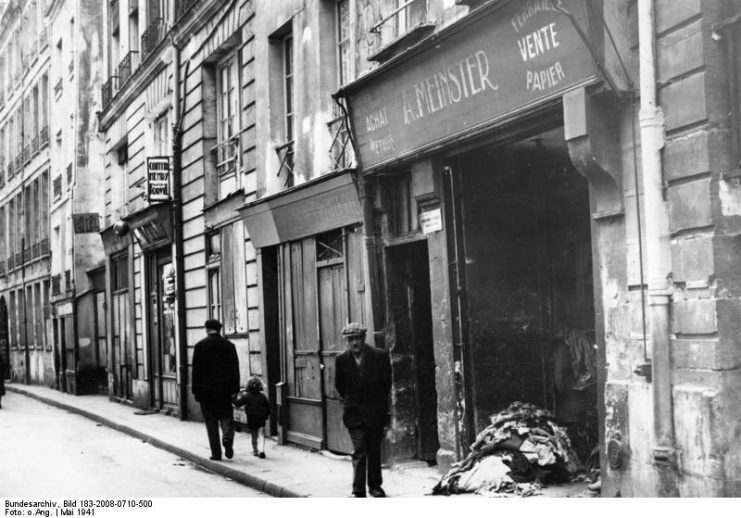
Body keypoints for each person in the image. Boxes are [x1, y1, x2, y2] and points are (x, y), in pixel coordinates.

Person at [334, 322, 392, 498]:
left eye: (357, 338)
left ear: (363, 338)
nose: (354, 343)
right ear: (346, 341)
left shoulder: (379, 356)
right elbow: (340, 385)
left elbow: (386, 383)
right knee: (360, 450)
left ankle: (375, 487)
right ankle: (358, 490)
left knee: (374, 450)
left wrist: (378, 405)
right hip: (354, 414)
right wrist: (352, 401)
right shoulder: (342, 360)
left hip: (375, 412)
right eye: (350, 339)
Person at [192, 319, 240, 461]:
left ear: (206, 329)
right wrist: (235, 389)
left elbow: (196, 371)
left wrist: (196, 391)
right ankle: (227, 438)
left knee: (211, 423)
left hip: (206, 393)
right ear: (219, 330)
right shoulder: (229, 346)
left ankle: (216, 454)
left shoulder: (199, 346)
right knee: (226, 417)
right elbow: (234, 370)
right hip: (224, 391)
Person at [233, 376, 271, 458]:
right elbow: (268, 407)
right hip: (261, 418)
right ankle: (262, 451)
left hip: (251, 418)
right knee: (261, 434)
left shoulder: (246, 396)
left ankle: (255, 451)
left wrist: (233, 397)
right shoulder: (263, 396)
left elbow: (237, 403)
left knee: (254, 434)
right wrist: (266, 416)